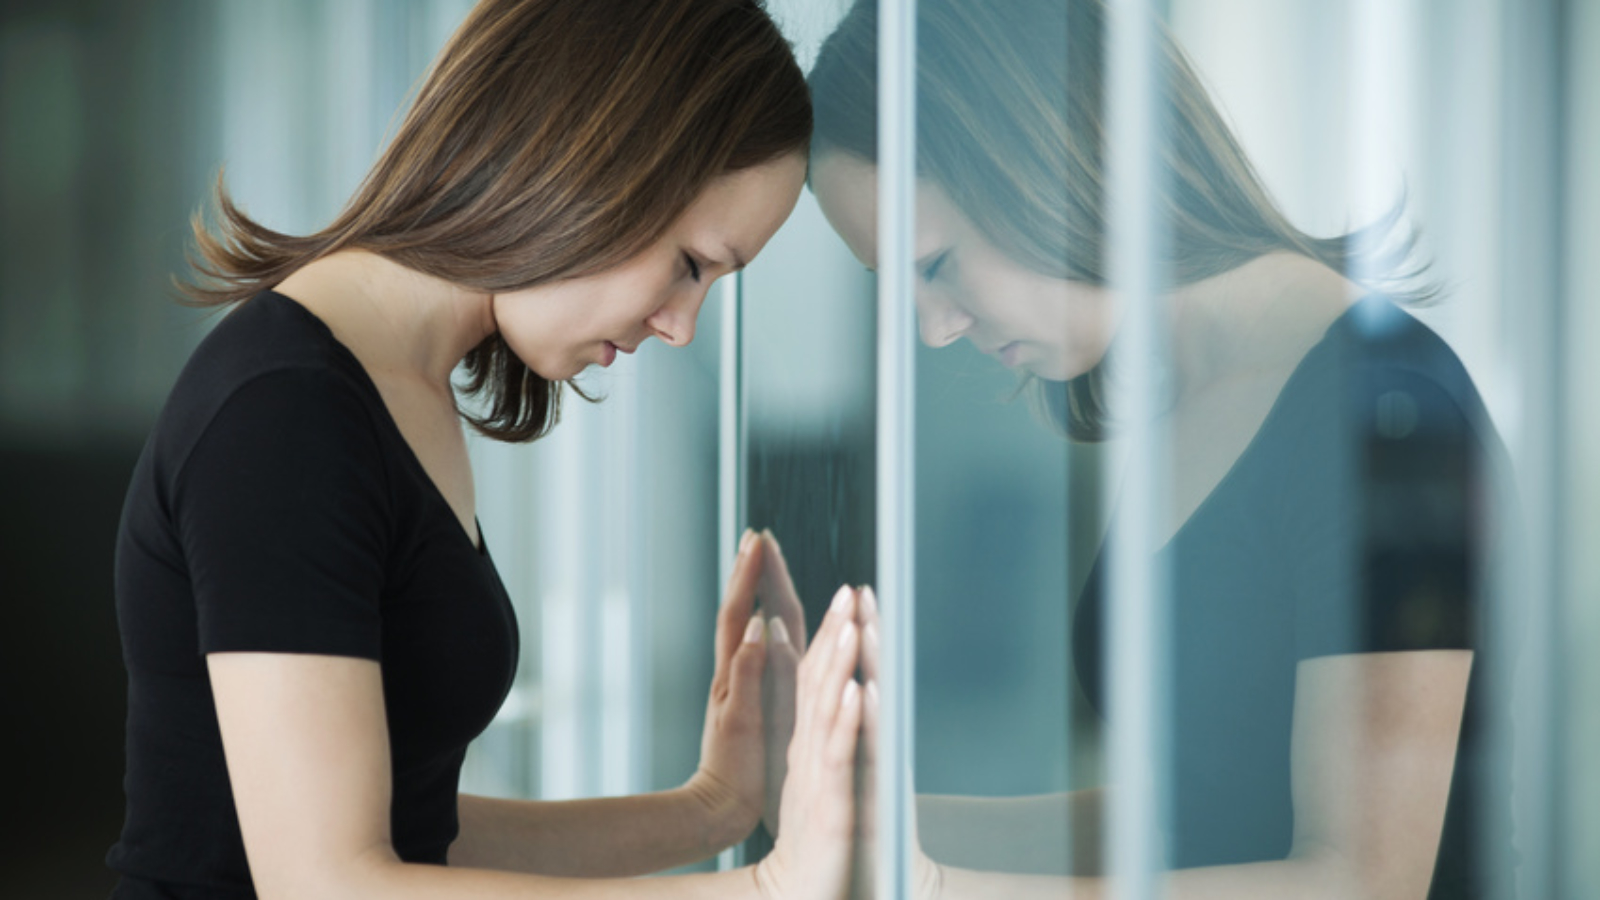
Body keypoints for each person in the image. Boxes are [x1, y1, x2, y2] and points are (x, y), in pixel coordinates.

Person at [108, 1, 865, 898]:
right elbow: (327, 883)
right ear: (588, 159)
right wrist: (767, 889)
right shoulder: (286, 416)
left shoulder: (392, 390)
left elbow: (416, 837)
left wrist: (713, 809)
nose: (682, 325)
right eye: (691, 264)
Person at [802, 0, 1513, 897]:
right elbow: (1183, 826)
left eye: (937, 264)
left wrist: (936, 889)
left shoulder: (1389, 412)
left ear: (1052, 164)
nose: (936, 329)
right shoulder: (1190, 395)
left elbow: (1367, 882)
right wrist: (841, 826)